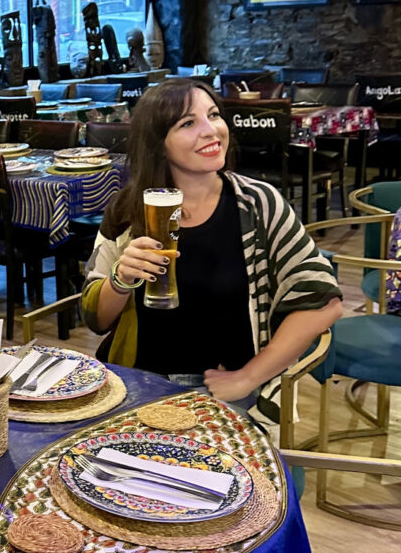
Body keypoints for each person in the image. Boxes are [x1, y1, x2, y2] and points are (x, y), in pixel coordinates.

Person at [82, 79, 342, 415]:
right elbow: (95, 319)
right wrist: (119, 280)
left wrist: (249, 376)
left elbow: (324, 302)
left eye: (214, 115)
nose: (211, 131)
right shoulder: (128, 210)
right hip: (135, 384)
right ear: (158, 143)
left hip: (222, 390)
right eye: (188, 123)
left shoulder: (257, 204)